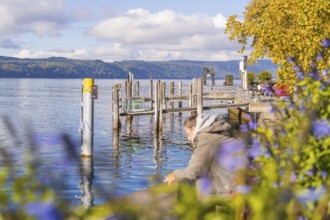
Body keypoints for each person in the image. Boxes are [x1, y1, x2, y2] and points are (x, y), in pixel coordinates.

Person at [164, 113, 247, 197]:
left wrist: (175, 174)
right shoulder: (221, 133)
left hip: (230, 187)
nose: (188, 138)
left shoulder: (205, 137)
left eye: (188, 134)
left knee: (195, 184)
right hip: (242, 182)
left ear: (193, 128)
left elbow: (194, 171)